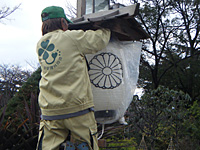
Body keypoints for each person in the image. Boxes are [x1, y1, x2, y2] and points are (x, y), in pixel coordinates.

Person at [36, 6, 111, 150]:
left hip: (50, 110)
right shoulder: (72, 37)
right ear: (63, 22)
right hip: (77, 108)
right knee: (85, 145)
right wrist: (106, 28)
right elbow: (99, 40)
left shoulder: (40, 44)